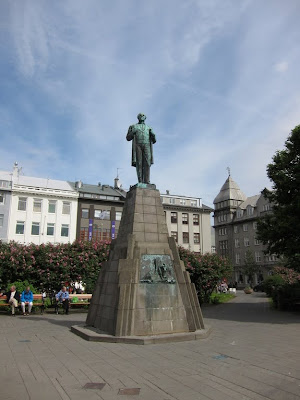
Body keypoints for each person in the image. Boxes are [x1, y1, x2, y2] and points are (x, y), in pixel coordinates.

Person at [126, 113, 156, 184]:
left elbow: (154, 141)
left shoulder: (149, 127)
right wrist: (132, 132)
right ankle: (140, 181)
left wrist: (153, 135)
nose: (141, 116)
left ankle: (147, 181)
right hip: (138, 145)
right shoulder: (134, 126)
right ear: (138, 117)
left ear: (145, 117)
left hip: (147, 145)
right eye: (140, 115)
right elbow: (128, 138)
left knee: (147, 163)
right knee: (139, 163)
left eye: (143, 115)